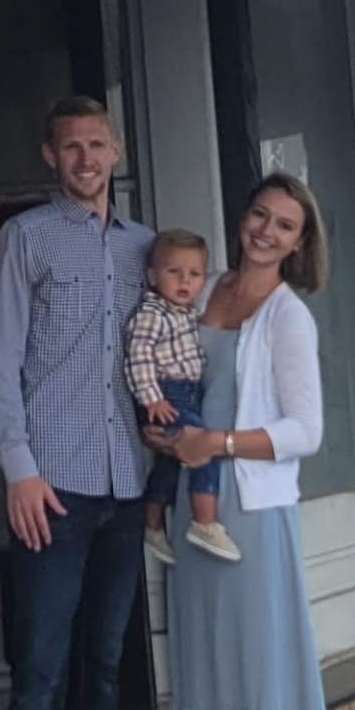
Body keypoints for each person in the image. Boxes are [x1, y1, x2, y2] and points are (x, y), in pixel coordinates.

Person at [0, 96, 177, 710]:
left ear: (117, 150)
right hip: (51, 488)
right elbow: (1, 364)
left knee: (103, 668)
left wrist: (170, 468)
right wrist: (18, 468)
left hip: (125, 483)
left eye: (97, 145)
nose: (86, 159)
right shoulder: (25, 239)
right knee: (42, 674)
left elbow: (171, 350)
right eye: (71, 147)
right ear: (49, 155)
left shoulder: (146, 249)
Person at [155, 172, 355, 710]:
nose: (266, 232)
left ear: (301, 244)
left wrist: (220, 444)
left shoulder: (288, 316)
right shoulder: (202, 291)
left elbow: (307, 430)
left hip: (252, 507)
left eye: (285, 226)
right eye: (260, 215)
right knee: (205, 668)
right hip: (193, 504)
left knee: (261, 667)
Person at [128, 229, 235, 566]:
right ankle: (204, 522)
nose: (184, 281)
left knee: (170, 463)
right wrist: (152, 399)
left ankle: (152, 524)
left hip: (188, 392)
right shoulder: (152, 313)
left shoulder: (187, 312)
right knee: (204, 447)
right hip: (166, 393)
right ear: (152, 276)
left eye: (194, 274)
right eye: (174, 272)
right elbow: (139, 355)